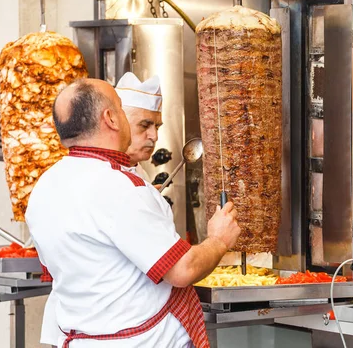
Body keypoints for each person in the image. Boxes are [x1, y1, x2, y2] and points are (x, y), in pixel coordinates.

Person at [26, 78, 240, 348]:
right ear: (111, 119)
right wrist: (219, 240)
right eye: (120, 108)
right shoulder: (118, 187)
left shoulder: (45, 185)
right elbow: (182, 270)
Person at [39, 73, 166, 347]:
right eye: (144, 125)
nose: (153, 136)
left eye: (157, 126)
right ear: (113, 120)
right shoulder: (107, 180)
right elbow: (175, 269)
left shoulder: (133, 176)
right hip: (107, 330)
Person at [115, 72, 164, 179]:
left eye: (157, 127)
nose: (155, 137)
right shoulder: (100, 174)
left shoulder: (141, 173)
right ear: (117, 123)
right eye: (144, 126)